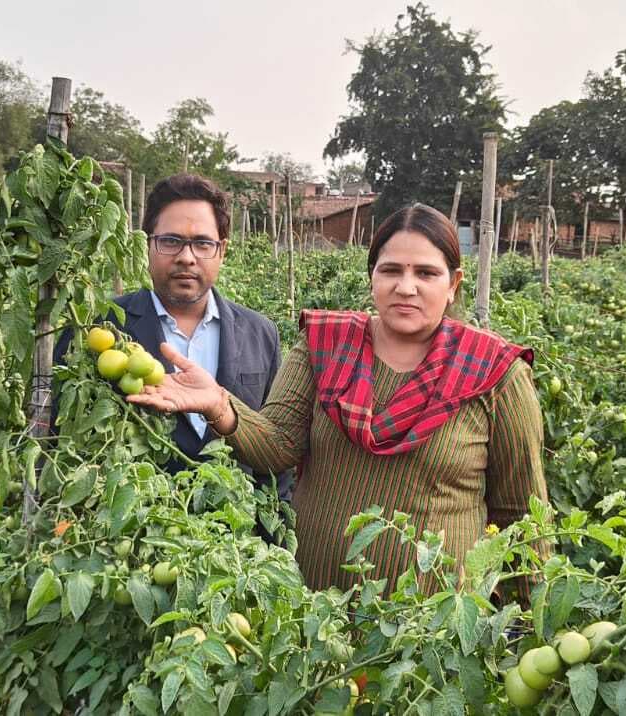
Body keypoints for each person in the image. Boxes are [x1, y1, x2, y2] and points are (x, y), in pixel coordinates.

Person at [128, 203, 549, 591]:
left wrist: (525, 629)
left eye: (426, 273)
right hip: (315, 616)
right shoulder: (327, 345)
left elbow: (522, 516)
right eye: (390, 271)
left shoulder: (494, 373)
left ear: (454, 284)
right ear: (372, 278)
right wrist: (220, 404)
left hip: (431, 635)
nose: (406, 287)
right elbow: (278, 446)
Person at [55, 173, 290, 499]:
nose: (186, 257)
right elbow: (63, 437)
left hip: (237, 541)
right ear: (147, 243)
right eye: (170, 241)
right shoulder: (98, 330)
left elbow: (276, 451)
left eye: (203, 243)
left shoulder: (260, 333)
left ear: (222, 251)